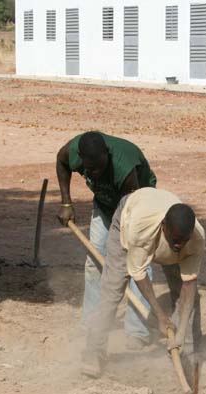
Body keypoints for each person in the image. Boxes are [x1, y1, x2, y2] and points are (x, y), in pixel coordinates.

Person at [82, 188, 204, 378]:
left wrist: (180, 334)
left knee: (189, 298)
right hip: (129, 215)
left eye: (183, 241)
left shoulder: (195, 238)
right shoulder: (141, 228)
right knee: (112, 291)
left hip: (160, 222)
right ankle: (93, 352)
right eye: (175, 240)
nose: (179, 245)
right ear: (164, 226)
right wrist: (161, 317)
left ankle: (188, 355)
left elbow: (189, 285)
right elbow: (138, 274)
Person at [55, 131, 157, 347]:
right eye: (90, 169)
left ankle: (136, 331)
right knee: (95, 260)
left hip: (138, 207)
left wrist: (119, 245)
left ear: (107, 155)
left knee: (138, 265)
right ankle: (92, 323)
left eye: (100, 167)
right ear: (81, 159)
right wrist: (66, 203)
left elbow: (130, 211)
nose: (95, 172)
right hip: (104, 204)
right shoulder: (72, 152)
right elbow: (61, 162)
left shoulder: (125, 166)